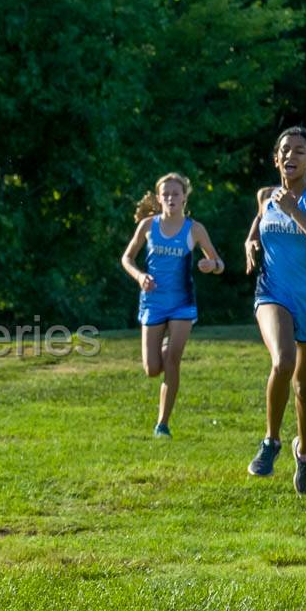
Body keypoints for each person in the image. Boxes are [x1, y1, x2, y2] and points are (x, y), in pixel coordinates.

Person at [244, 126, 306, 494]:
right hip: (273, 292)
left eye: (300, 151)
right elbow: (261, 221)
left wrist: (294, 212)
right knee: (283, 361)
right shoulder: (265, 195)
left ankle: (304, 452)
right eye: (285, 150)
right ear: (275, 158)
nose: (291, 155)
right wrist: (252, 238)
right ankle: (270, 442)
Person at [120, 172, 224, 438]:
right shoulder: (147, 226)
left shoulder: (195, 229)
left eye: (175, 194)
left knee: (173, 361)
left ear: (184, 197)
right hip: (153, 304)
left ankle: (162, 425)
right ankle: (165, 347)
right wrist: (140, 276)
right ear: (158, 198)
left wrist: (211, 265)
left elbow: (219, 263)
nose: (170, 198)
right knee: (152, 369)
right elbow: (127, 258)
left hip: (182, 305)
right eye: (165, 194)